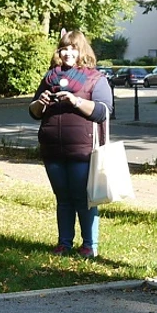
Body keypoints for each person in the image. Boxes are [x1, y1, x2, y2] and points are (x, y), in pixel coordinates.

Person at [29, 30, 113, 258]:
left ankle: (89, 246)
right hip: (52, 148)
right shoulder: (50, 77)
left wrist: (76, 101)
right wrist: (41, 102)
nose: (68, 53)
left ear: (82, 50)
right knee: (63, 198)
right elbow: (34, 112)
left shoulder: (96, 78)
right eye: (64, 48)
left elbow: (103, 111)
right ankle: (64, 243)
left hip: (82, 151)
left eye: (73, 48)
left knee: (82, 198)